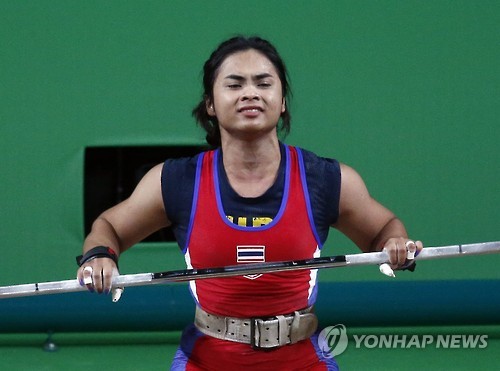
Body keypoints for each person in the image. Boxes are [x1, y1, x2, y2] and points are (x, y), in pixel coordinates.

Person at [77, 36, 423, 370]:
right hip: (206, 363)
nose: (250, 94)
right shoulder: (176, 181)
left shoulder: (326, 180)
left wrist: (394, 243)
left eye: (263, 83)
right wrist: (100, 256)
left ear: (283, 99)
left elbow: (383, 229)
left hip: (302, 363)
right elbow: (108, 228)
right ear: (210, 103)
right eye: (234, 84)